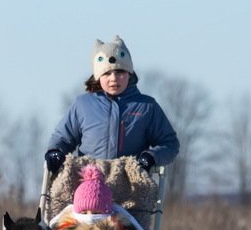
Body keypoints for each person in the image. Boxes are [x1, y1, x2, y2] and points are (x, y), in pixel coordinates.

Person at [45, 35, 180, 174]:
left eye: (120, 72)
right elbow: (62, 138)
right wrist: (55, 151)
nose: (113, 79)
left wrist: (151, 156)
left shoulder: (146, 106)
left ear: (129, 73)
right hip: (89, 180)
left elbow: (170, 144)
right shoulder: (83, 105)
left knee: (132, 194)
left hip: (130, 183)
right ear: (98, 77)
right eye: (107, 73)